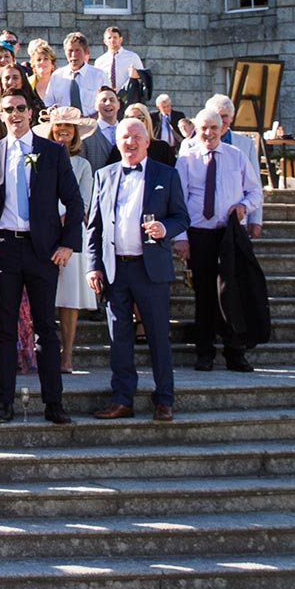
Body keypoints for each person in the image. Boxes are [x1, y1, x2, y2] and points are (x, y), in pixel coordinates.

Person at [0, 91, 83, 425]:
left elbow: (74, 201)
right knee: (5, 329)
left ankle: (54, 403)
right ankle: (4, 403)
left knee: (45, 329)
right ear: (1, 114)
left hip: (43, 251)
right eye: (8, 109)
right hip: (3, 249)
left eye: (21, 108)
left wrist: (68, 244)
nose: (15, 114)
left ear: (30, 112)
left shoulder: (52, 151)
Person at [87, 119, 189, 422]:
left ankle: (164, 399)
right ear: (117, 142)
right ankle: (122, 399)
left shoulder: (166, 174)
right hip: (116, 269)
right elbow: (95, 226)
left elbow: (182, 217)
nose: (130, 142)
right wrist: (93, 266)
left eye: (136, 137)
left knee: (158, 336)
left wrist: (164, 228)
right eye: (124, 137)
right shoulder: (104, 175)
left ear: (147, 141)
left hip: (150, 269)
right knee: (119, 338)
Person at [176, 106, 264, 372]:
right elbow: (177, 201)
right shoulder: (187, 159)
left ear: (223, 129)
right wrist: (181, 238)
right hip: (199, 234)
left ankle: (235, 352)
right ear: (196, 130)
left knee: (232, 292)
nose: (209, 133)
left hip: (229, 234)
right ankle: (204, 353)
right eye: (203, 128)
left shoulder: (236, 156)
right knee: (204, 295)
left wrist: (244, 207)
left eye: (214, 128)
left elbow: (255, 192)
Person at [39, 106, 100, 377]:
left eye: (68, 129)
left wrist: (66, 218)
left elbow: (84, 201)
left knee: (69, 297)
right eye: (58, 128)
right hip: (43, 230)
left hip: (72, 230)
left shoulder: (82, 165)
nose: (63, 133)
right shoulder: (40, 158)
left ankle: (67, 355)